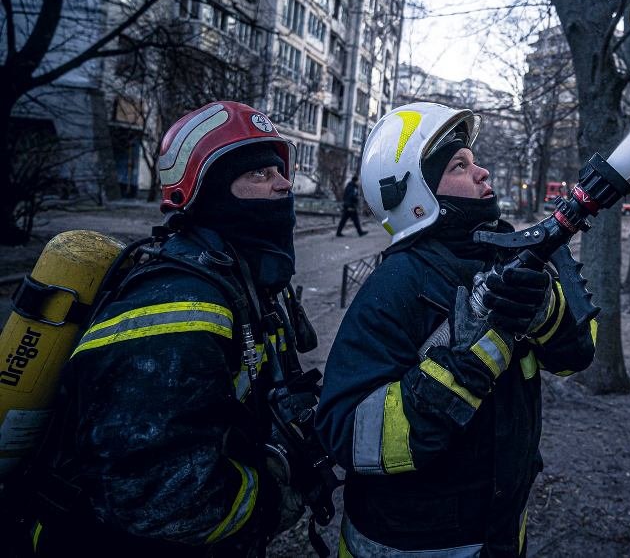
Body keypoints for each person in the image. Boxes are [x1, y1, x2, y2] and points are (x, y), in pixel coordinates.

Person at [24, 102, 307, 557]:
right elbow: (161, 497)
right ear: (212, 194)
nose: (284, 183)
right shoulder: (179, 303)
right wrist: (271, 499)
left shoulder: (238, 278)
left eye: (279, 168)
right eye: (259, 174)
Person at [315, 102, 597, 557]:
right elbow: (348, 437)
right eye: (459, 166)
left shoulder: (506, 258)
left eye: (473, 160)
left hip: (498, 532)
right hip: (411, 544)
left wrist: (545, 310)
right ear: (419, 196)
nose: (482, 171)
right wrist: (460, 369)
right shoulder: (397, 285)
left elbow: (578, 356)